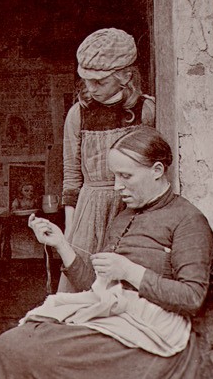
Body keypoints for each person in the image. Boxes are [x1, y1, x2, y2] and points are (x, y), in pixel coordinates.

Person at [0, 127, 213, 379]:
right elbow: (99, 285)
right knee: (12, 344)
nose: (117, 186)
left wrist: (132, 272)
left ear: (158, 170)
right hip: (114, 314)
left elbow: (192, 298)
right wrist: (61, 246)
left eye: (125, 176)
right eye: (115, 176)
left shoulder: (188, 221)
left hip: (155, 331)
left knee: (38, 353)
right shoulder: (122, 214)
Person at [61, 28, 156, 259]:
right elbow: (72, 176)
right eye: (87, 81)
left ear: (125, 77)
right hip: (89, 212)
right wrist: (70, 231)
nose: (91, 89)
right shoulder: (78, 114)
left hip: (132, 207)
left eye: (100, 82)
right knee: (84, 279)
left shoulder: (146, 110)